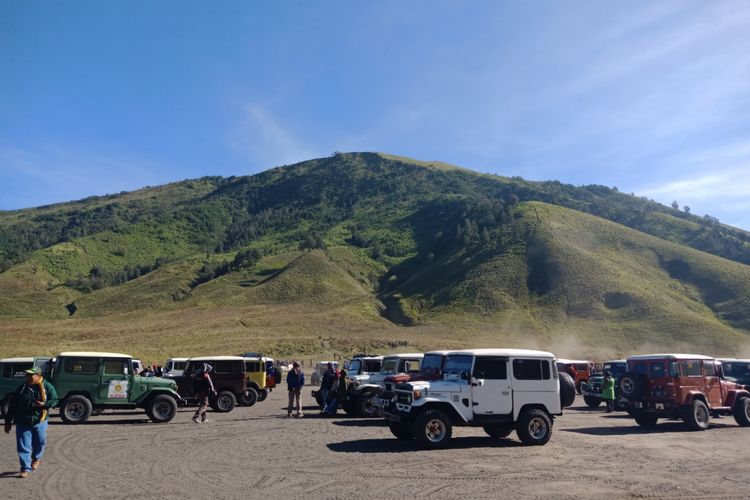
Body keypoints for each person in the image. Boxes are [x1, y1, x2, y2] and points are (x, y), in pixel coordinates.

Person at [4, 367, 58, 478]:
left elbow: (55, 399)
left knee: (40, 442)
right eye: (27, 375)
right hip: (22, 421)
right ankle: (25, 468)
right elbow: (13, 405)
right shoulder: (21, 388)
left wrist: (44, 404)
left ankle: (36, 458)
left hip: (40, 420)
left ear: (38, 375)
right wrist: (8, 422)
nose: (27, 377)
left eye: (30, 375)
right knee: (23, 445)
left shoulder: (47, 386)